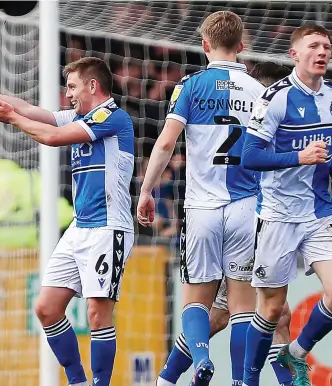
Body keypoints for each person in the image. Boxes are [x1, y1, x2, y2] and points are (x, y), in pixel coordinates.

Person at [0, 56, 134, 386]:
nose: (68, 94)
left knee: (96, 313)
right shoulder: (81, 115)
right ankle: (77, 381)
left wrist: (14, 119)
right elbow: (32, 110)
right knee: (47, 308)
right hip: (81, 226)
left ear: (93, 86)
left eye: (72, 87)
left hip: (109, 227)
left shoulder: (112, 117)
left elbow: (50, 137)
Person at [136, 11, 265, 385]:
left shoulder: (190, 86)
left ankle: (201, 358)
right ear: (241, 47)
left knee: (196, 300)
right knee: (242, 308)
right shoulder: (260, 92)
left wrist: (146, 190)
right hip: (245, 207)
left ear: (204, 45)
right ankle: (241, 380)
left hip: (202, 209)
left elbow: (164, 143)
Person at [154, 61, 296, 386]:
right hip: (250, 221)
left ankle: (169, 378)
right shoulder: (262, 115)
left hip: (227, 218)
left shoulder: (214, 94)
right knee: (259, 313)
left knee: (230, 316)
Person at [241, 24, 332, 386]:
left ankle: (295, 352)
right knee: (272, 309)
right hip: (277, 217)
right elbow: (250, 156)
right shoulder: (275, 98)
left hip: (319, 214)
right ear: (294, 55)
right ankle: (248, 380)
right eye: (314, 46)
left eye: (327, 46)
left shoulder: (331, 98)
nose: (322, 52)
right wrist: (299, 157)